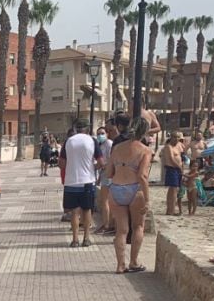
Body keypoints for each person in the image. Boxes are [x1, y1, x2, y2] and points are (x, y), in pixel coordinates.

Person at [106, 113, 152, 273]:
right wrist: (147, 199)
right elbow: (142, 176)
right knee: (138, 226)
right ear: (144, 132)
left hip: (117, 188)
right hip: (134, 189)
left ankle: (120, 265)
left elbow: (108, 173)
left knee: (121, 230)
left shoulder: (117, 148)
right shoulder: (145, 150)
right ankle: (133, 262)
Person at [61, 118, 102, 247]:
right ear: (88, 128)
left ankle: (74, 240)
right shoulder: (92, 141)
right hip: (87, 181)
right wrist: (91, 168)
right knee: (87, 210)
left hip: (71, 181)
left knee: (74, 212)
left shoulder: (68, 141)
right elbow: (101, 162)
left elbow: (61, 163)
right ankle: (86, 238)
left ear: (75, 128)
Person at [93, 122, 117, 234]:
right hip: (104, 174)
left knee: (105, 201)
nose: (100, 136)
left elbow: (109, 161)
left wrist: (98, 166)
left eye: (102, 133)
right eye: (98, 134)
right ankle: (109, 223)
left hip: (108, 175)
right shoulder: (101, 145)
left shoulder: (109, 144)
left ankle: (106, 224)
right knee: (107, 201)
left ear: (107, 133)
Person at [160, 131, 185, 216]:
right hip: (172, 168)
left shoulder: (178, 146)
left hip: (178, 169)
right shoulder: (168, 147)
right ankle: (170, 210)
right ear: (171, 137)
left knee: (175, 190)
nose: (176, 139)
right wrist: (179, 167)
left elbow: (181, 157)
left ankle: (171, 209)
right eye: (175, 137)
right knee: (173, 189)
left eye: (178, 137)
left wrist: (182, 167)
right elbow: (171, 158)